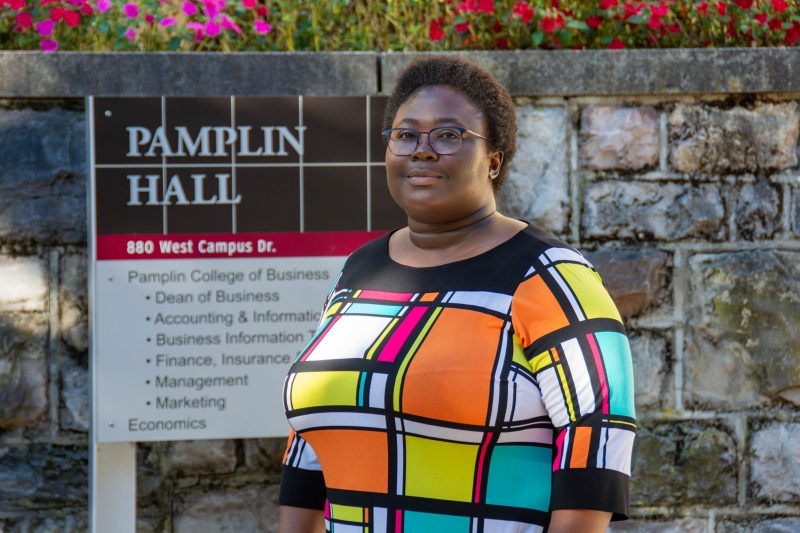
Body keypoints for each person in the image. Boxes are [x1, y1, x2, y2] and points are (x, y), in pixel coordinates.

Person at [278, 56, 636, 533]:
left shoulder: (548, 276)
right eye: (406, 134)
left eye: (448, 135)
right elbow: (307, 454)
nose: (422, 150)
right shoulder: (357, 271)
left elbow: (595, 456)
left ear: (493, 161)